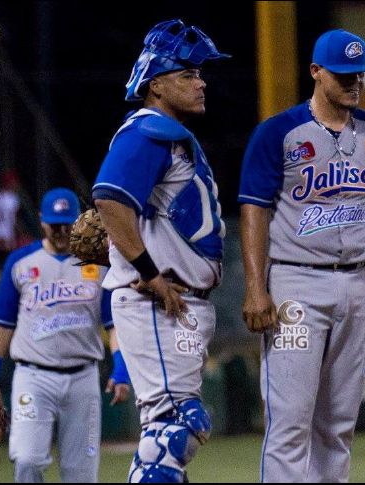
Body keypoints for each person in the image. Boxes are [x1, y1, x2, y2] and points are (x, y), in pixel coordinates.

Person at [238, 29, 365, 483]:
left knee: (338, 425)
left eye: (359, 74)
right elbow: (253, 210)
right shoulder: (279, 133)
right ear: (316, 72)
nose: (354, 82)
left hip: (358, 285)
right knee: (290, 421)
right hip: (295, 283)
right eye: (342, 75)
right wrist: (256, 287)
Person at [91, 19, 229, 483]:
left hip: (181, 304)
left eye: (199, 73)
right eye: (187, 74)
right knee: (180, 427)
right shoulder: (148, 131)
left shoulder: (168, 135)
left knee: (165, 430)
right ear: (156, 84)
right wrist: (148, 271)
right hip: (160, 301)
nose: (200, 81)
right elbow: (109, 199)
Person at [0, 187, 130, 483]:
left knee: (81, 475)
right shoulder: (20, 262)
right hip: (33, 378)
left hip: (83, 378)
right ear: (41, 220)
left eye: (67, 224)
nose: (61, 231)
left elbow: (115, 326)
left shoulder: (97, 266)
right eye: (54, 224)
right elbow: (1, 325)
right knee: (27, 460)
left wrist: (121, 370)